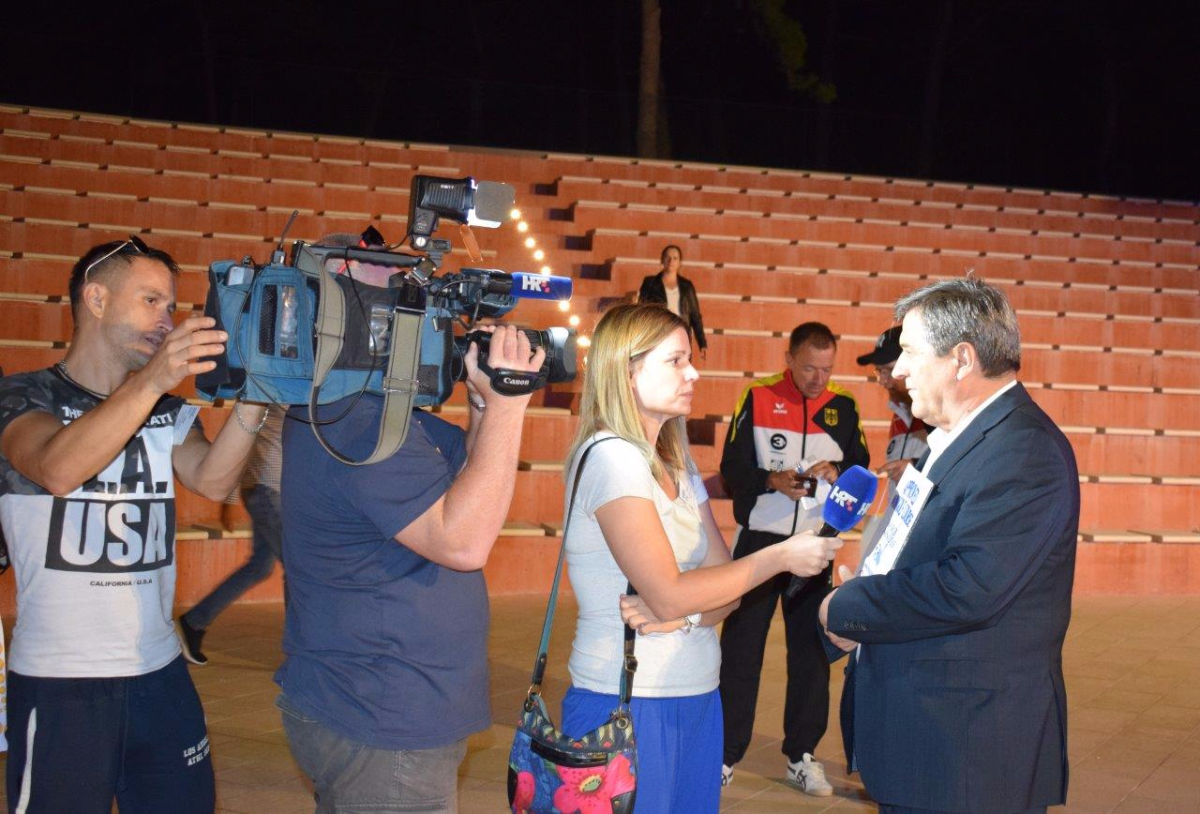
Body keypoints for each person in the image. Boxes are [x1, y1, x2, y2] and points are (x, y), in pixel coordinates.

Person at [0, 236, 267, 812]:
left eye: (170, 306)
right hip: (60, 681)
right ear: (96, 299)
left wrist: (258, 395)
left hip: (160, 673)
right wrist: (150, 383)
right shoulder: (22, 395)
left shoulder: (166, 410)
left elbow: (214, 481)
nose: (167, 321)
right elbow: (55, 469)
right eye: (151, 301)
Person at [560, 303, 841, 813]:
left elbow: (724, 593)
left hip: (697, 694)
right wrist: (777, 557)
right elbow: (672, 592)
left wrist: (684, 614)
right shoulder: (611, 458)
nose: (693, 373)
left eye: (690, 359)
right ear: (626, 370)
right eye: (676, 361)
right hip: (624, 700)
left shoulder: (678, 462)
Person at [820, 277, 1079, 814]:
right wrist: (867, 600)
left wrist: (849, 606)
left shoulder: (1023, 450)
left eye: (911, 352)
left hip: (967, 754)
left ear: (961, 359)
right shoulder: (956, 438)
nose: (899, 369)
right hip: (933, 741)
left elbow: (967, 588)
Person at [274, 317, 546, 812]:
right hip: (384, 713)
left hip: (377, 703)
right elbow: (464, 542)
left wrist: (485, 402)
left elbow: (469, 483)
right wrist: (510, 404)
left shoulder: (361, 412)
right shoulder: (361, 425)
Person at [717, 321, 870, 795]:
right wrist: (771, 479)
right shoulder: (757, 396)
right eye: (808, 368)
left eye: (826, 369)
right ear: (789, 359)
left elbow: (861, 470)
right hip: (760, 544)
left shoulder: (845, 406)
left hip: (814, 546)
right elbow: (731, 467)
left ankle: (802, 756)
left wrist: (837, 469)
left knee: (811, 655)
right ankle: (723, 754)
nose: (818, 379)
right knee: (741, 651)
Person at [177, 404, 286, 665]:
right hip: (268, 489)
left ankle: (192, 623)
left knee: (259, 567)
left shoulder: (272, 394)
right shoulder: (278, 393)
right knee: (299, 569)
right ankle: (301, 649)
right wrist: (227, 501)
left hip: (263, 489)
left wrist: (229, 501)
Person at [855, 325, 929, 553]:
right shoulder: (899, 412)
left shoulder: (942, 416)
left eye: (888, 371)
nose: (883, 381)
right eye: (879, 372)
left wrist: (916, 468)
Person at [637, 244, 708, 359]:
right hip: (658, 333)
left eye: (675, 258)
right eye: (668, 257)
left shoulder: (687, 286)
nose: (671, 261)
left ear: (680, 262)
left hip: (681, 334)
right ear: (662, 259)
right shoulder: (650, 283)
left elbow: (695, 315)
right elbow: (642, 311)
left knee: (680, 366)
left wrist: (702, 343)